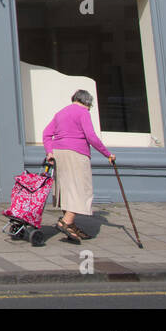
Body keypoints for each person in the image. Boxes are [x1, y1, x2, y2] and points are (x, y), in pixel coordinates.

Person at [43, 89, 114, 242]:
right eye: (90, 106)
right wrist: (107, 154)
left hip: (59, 154)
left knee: (67, 189)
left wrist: (50, 152)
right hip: (76, 154)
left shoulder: (61, 113)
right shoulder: (83, 112)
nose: (90, 109)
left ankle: (70, 224)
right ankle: (66, 222)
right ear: (87, 102)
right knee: (82, 189)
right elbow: (91, 137)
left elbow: (46, 134)